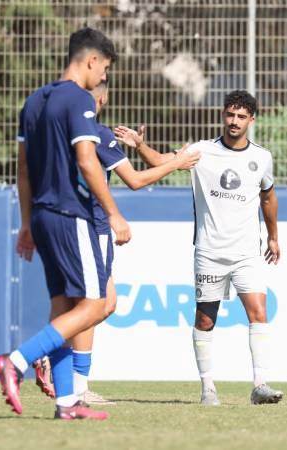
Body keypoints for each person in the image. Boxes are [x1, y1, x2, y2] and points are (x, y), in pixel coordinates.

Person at [32, 81, 200, 404]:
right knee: (100, 304)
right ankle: (49, 353)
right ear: (103, 97)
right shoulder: (98, 133)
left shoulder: (60, 133)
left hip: (69, 222)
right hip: (95, 226)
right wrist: (177, 164)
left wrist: (145, 148)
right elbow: (135, 180)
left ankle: (77, 384)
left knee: (95, 304)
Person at [114, 90, 283, 406]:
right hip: (209, 251)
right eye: (230, 115)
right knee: (206, 320)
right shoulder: (201, 151)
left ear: (251, 120)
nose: (234, 121)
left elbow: (268, 198)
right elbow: (161, 162)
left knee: (259, 313)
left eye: (241, 116)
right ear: (223, 115)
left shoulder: (261, 157)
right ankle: (208, 389)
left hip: (247, 252)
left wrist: (273, 236)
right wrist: (139, 146)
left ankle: (260, 384)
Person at [0, 27, 128, 421]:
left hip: (42, 215)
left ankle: (67, 403)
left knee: (63, 308)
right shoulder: (78, 98)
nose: (104, 77)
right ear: (92, 61)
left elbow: (22, 170)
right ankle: (16, 362)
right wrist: (115, 213)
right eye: (104, 68)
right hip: (72, 215)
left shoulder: (34, 100)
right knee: (95, 304)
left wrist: (26, 223)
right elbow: (87, 161)